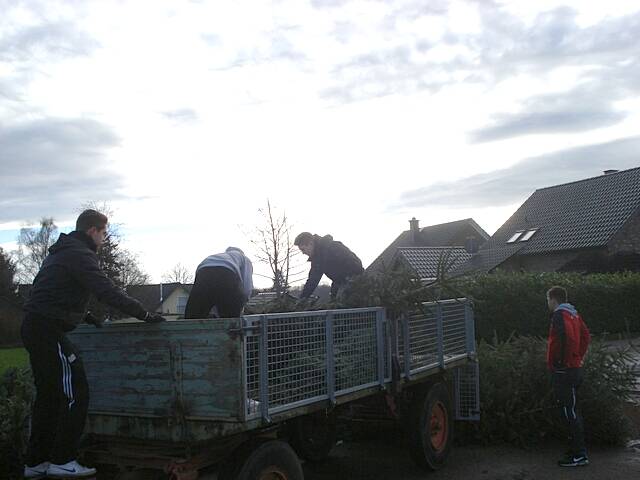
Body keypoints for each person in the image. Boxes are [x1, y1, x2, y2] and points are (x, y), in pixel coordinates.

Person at [22, 209, 166, 479]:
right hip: (47, 330)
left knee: (49, 397)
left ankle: (36, 462)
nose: (103, 240)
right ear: (93, 231)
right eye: (103, 233)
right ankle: (63, 459)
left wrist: (84, 316)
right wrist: (144, 314)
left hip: (36, 326)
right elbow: (106, 290)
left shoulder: (61, 252)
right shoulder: (80, 254)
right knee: (76, 391)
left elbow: (52, 292)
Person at [546, 286, 591, 467]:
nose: (547, 303)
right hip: (574, 368)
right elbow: (586, 336)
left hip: (564, 371)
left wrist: (561, 363)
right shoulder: (574, 314)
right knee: (573, 411)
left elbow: (564, 338)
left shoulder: (559, 315)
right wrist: (578, 357)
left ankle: (579, 455)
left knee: (569, 412)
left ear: (553, 299)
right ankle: (575, 451)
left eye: (547, 300)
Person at [184, 247, 253, 319]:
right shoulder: (244, 258)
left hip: (203, 271)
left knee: (194, 315)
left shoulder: (218, 256)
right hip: (226, 272)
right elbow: (247, 285)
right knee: (231, 318)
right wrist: (242, 302)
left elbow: (212, 295)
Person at [294, 232, 364, 300]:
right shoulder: (319, 255)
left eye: (303, 249)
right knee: (336, 302)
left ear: (310, 243)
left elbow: (313, 279)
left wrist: (302, 298)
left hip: (353, 282)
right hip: (342, 282)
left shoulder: (327, 251)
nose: (303, 253)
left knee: (342, 304)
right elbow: (313, 279)